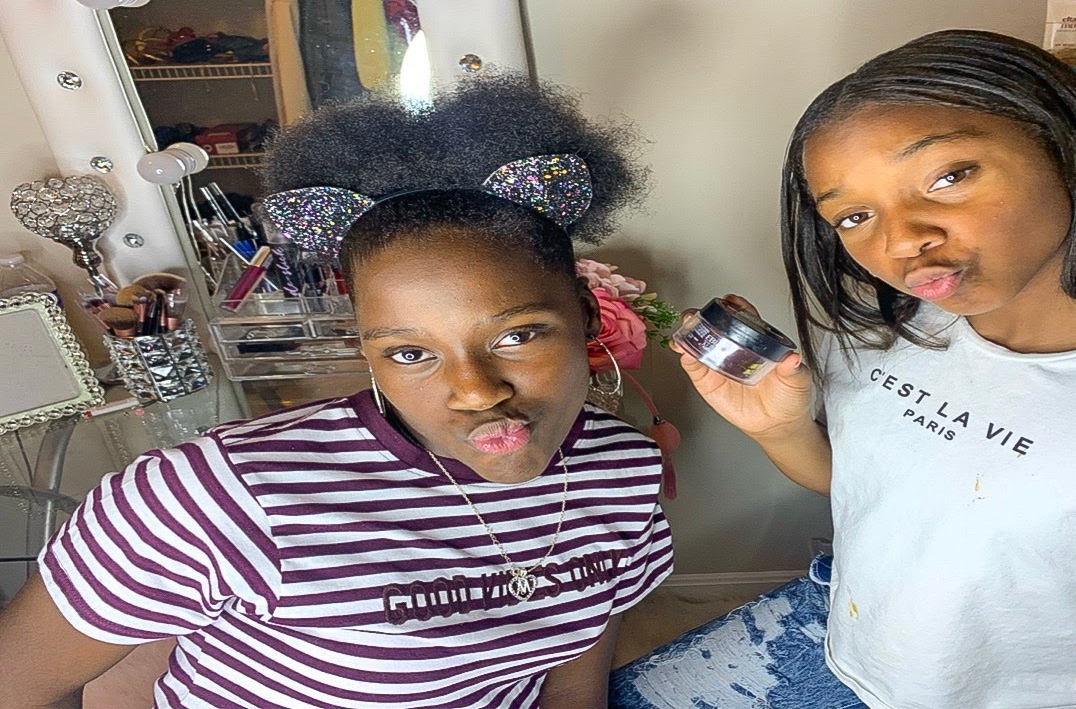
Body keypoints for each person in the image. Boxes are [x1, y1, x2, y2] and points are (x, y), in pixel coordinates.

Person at [0, 76, 673, 709]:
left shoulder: (623, 472)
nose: (475, 392)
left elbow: (568, 688)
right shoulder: (210, 497)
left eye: (516, 336)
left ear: (587, 314)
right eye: (410, 353)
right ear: (365, 349)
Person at [674, 30, 1076, 708]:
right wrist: (780, 431)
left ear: (1067, 148)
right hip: (849, 644)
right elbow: (878, 494)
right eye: (854, 215)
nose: (901, 241)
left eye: (949, 176)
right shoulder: (881, 326)